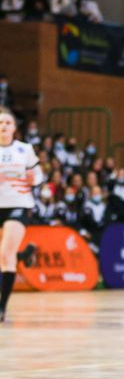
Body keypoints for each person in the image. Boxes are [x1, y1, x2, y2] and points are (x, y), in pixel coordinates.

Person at [0, 107, 43, 322]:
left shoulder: (24, 149)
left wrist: (32, 179)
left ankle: (1, 308)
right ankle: (23, 256)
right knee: (4, 256)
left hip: (18, 204)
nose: (3, 126)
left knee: (5, 256)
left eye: (7, 123)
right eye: (0, 123)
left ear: (14, 128)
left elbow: (39, 175)